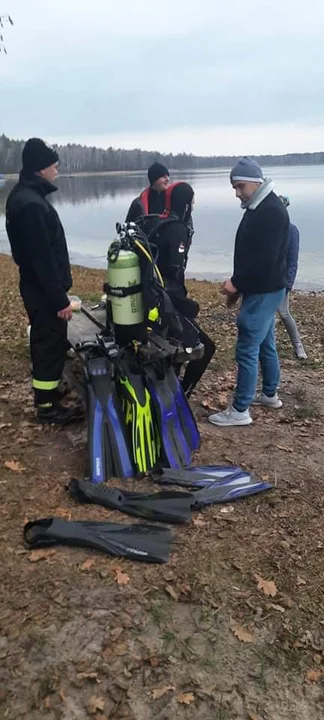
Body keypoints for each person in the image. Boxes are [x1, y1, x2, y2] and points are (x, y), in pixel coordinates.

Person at [5, 138, 83, 425]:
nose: (57, 171)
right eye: (54, 166)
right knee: (48, 343)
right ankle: (48, 407)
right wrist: (59, 299)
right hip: (42, 289)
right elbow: (42, 260)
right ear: (41, 169)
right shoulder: (31, 205)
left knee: (51, 340)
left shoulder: (25, 197)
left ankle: (50, 394)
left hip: (38, 286)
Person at [208, 156, 289, 427]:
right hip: (268, 288)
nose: (237, 193)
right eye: (235, 187)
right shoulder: (260, 206)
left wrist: (236, 282)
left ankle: (240, 409)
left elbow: (265, 259)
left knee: (246, 347)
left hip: (264, 289)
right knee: (266, 342)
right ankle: (269, 394)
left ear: (255, 182)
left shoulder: (270, 211)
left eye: (240, 186)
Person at [148, 181, 215, 396]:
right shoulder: (177, 230)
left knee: (180, 338)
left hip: (153, 300)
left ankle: (173, 386)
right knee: (205, 348)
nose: (193, 206)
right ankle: (182, 392)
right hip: (165, 304)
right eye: (192, 202)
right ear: (185, 204)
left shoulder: (159, 222)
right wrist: (185, 304)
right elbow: (171, 275)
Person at [277, 196, 307, 360]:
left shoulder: (292, 230)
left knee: (283, 313)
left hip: (282, 281)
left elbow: (292, 260)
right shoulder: (266, 230)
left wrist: (289, 283)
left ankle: (298, 345)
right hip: (266, 281)